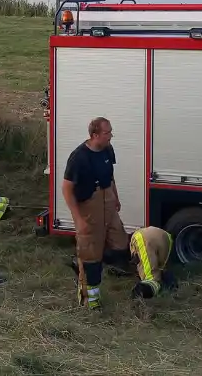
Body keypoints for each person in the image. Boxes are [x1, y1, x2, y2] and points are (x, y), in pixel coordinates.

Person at [62, 116, 130, 309]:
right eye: (107, 133)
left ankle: (82, 262)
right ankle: (90, 299)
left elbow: (110, 175)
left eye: (111, 132)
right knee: (91, 253)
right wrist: (78, 218)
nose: (111, 136)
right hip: (89, 205)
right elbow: (66, 188)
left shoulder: (107, 149)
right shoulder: (79, 157)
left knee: (120, 242)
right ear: (94, 135)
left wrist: (115, 197)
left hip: (107, 198)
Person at [129, 225, 178, 299]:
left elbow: (136, 260)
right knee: (161, 269)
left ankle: (141, 293)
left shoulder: (134, 244)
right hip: (165, 237)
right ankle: (171, 286)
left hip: (142, 237)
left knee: (151, 278)